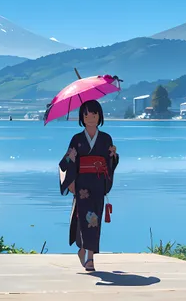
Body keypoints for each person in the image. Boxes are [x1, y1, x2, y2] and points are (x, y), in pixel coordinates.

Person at [58, 99, 118, 272]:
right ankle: (85, 253)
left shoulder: (106, 138)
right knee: (84, 218)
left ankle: (88, 254)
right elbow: (66, 161)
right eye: (86, 114)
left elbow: (110, 161)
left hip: (98, 182)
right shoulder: (77, 139)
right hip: (82, 184)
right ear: (81, 118)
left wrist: (113, 155)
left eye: (94, 114)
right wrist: (71, 182)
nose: (90, 117)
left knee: (95, 220)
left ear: (100, 116)